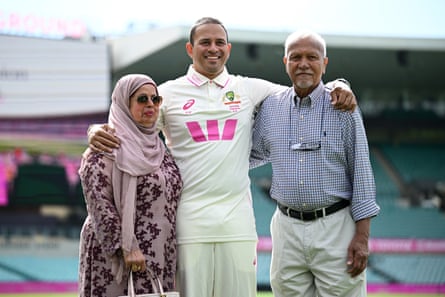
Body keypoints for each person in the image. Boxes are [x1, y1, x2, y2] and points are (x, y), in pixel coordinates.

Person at [87, 17, 357, 297]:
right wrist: (95, 130)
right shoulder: (166, 94)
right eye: (205, 42)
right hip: (187, 224)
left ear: (228, 49)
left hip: (237, 224)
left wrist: (340, 83)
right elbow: (128, 130)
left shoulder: (248, 89)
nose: (212, 48)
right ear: (190, 49)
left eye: (219, 43)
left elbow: (303, 90)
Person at [250, 30, 380, 297]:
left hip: (335, 226)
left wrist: (362, 237)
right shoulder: (271, 107)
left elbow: (362, 173)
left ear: (325, 62)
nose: (304, 63)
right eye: (296, 57)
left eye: (312, 57)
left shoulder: (343, 106)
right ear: (285, 62)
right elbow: (253, 153)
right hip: (286, 228)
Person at [78, 74, 183, 297]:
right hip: (119, 256)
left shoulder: (161, 152)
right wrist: (127, 247)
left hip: (159, 253)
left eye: (156, 100)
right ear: (124, 105)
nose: (151, 105)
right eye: (142, 99)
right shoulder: (104, 150)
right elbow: (99, 206)